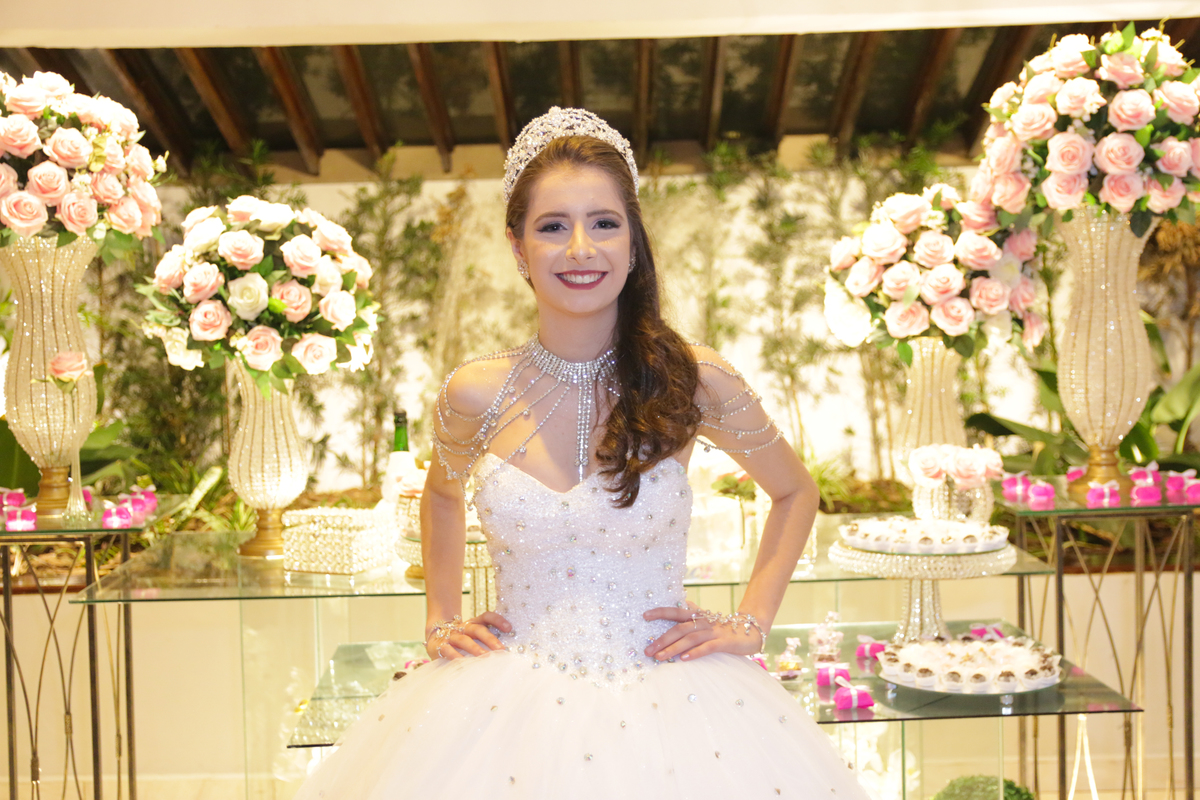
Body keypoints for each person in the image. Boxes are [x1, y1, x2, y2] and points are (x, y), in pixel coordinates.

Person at [295, 108, 870, 799]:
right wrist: (440, 618)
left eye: (603, 223)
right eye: (551, 226)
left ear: (632, 241)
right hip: (502, 712)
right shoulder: (474, 392)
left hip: (678, 712)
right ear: (517, 248)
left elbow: (795, 492)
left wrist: (752, 623)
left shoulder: (692, 379)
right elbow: (441, 495)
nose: (580, 248)